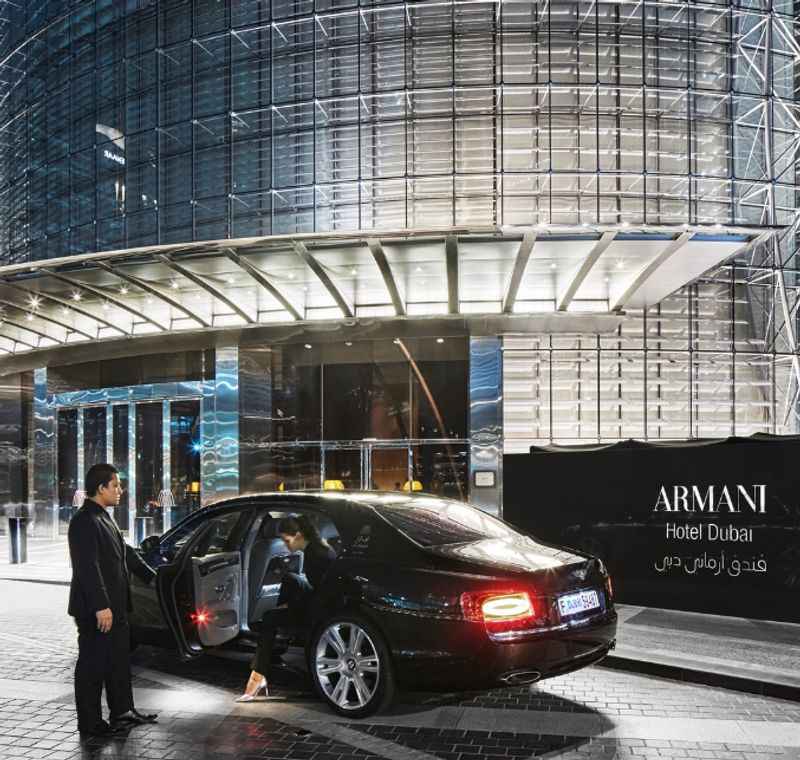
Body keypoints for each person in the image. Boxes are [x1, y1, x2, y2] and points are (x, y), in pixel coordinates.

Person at [68, 463, 159, 737]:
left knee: (118, 662)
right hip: (98, 610)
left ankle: (123, 711)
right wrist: (101, 606)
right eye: (116, 485)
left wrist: (154, 578)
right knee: (93, 666)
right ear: (101, 488)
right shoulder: (84, 520)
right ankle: (91, 723)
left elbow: (125, 552)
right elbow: (88, 567)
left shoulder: (104, 516)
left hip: (116, 608)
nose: (120, 490)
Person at [237, 514, 336, 702]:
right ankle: (263, 667)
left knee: (269, 618)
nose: (286, 545)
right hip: (324, 606)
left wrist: (293, 607)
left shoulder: (316, 556)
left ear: (298, 535)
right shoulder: (318, 548)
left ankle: (258, 676)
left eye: (287, 540)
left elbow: (320, 595)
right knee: (290, 579)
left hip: (320, 613)